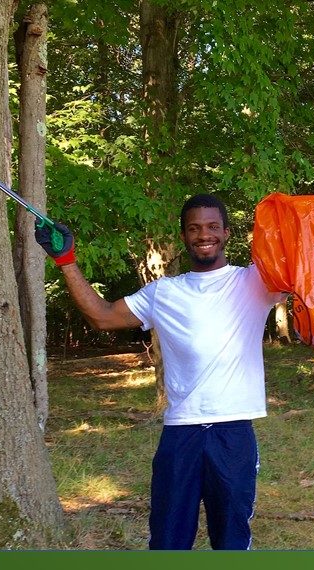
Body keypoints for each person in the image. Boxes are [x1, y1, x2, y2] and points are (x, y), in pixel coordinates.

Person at [36, 194, 282, 550]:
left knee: (232, 541)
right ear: (183, 236)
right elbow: (103, 316)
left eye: (212, 227)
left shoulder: (256, 282)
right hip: (180, 433)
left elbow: (310, 262)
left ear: (227, 232)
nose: (204, 235)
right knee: (168, 541)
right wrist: (66, 261)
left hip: (234, 432)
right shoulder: (163, 292)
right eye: (194, 228)